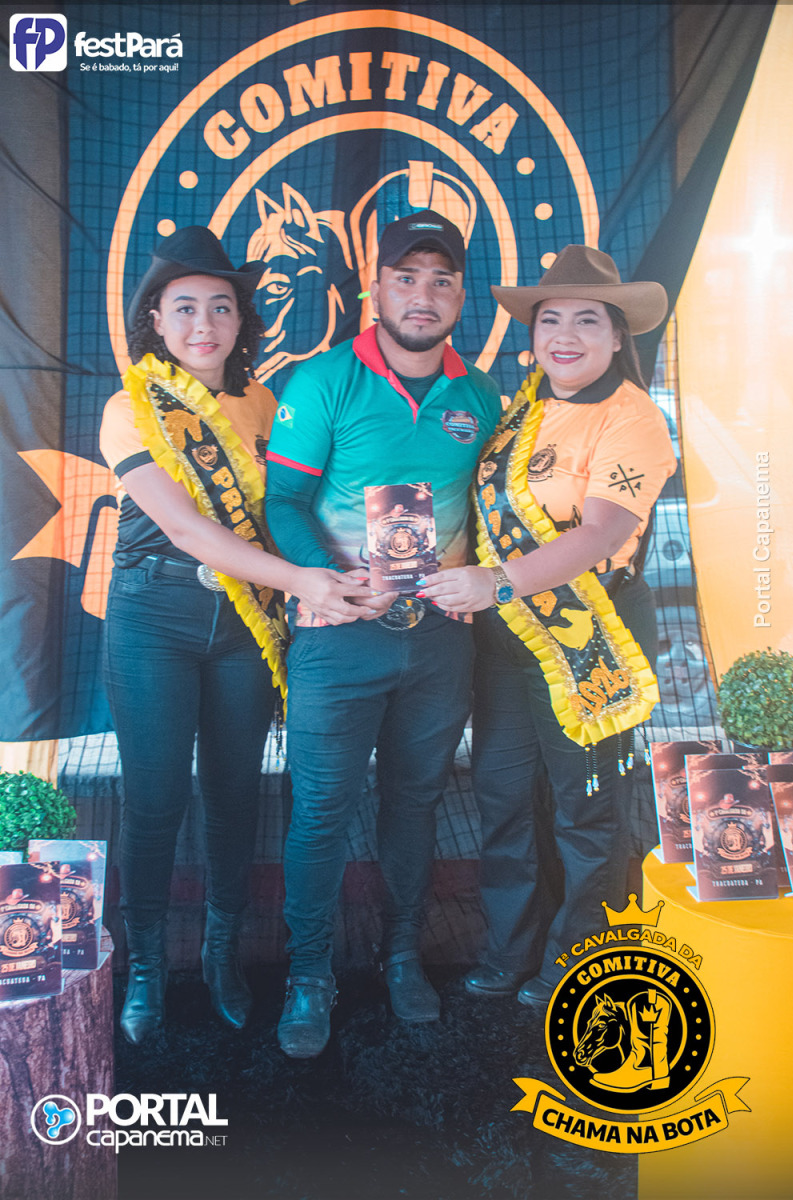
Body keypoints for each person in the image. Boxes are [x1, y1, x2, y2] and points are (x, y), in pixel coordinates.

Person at [100, 226, 369, 1045]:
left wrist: (356, 560)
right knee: (153, 799)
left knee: (233, 794)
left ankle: (221, 953)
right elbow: (185, 529)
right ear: (154, 318)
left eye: (221, 306)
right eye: (184, 307)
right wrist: (302, 581)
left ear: (242, 318)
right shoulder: (130, 406)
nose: (204, 323)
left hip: (245, 623)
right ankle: (146, 965)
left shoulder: (264, 404)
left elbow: (294, 507)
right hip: (155, 618)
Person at [265, 210, 502, 1057]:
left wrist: (483, 578)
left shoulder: (482, 396)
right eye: (407, 278)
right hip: (339, 636)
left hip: (438, 642)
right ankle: (308, 974)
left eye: (441, 280)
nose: (423, 295)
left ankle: (402, 954)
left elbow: (499, 510)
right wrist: (322, 579)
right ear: (377, 288)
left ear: (461, 296)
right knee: (321, 811)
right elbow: (283, 503)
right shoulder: (323, 380)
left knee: (417, 802)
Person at [419, 244, 676, 1007]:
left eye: (587, 320)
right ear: (532, 334)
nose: (565, 335)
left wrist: (493, 582)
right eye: (550, 319)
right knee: (502, 798)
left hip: (590, 635)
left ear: (617, 335)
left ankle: (583, 954)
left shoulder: (633, 418)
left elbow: (600, 533)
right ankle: (512, 948)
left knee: (585, 808)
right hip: (505, 641)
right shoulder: (520, 412)